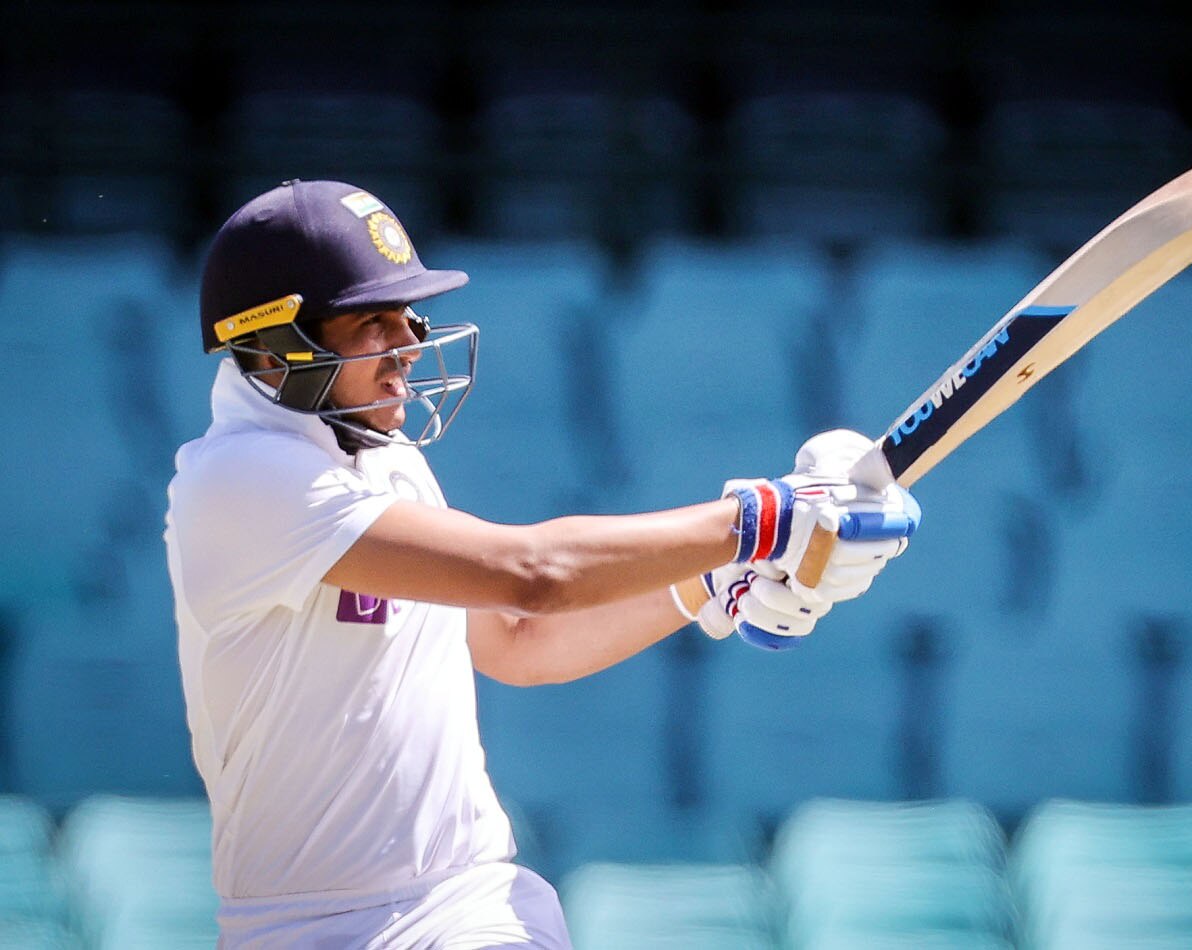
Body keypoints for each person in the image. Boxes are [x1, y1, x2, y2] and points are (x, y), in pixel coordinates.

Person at [164, 179, 919, 948]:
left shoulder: (379, 461)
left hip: (463, 903)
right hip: (307, 929)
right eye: (371, 322)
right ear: (271, 345)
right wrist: (761, 521)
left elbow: (519, 640)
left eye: (407, 315)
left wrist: (707, 587)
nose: (409, 345)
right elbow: (533, 575)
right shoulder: (239, 478)